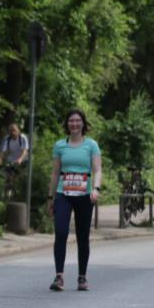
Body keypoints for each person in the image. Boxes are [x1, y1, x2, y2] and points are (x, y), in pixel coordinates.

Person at [47, 109, 101, 292]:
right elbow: (55, 172)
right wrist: (50, 196)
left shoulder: (91, 145)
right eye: (71, 121)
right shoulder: (60, 145)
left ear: (83, 124)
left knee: (82, 236)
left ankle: (82, 277)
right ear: (67, 124)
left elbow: (97, 170)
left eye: (78, 121)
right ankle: (59, 276)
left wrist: (96, 188)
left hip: (85, 195)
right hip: (64, 193)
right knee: (61, 232)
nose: (75, 124)